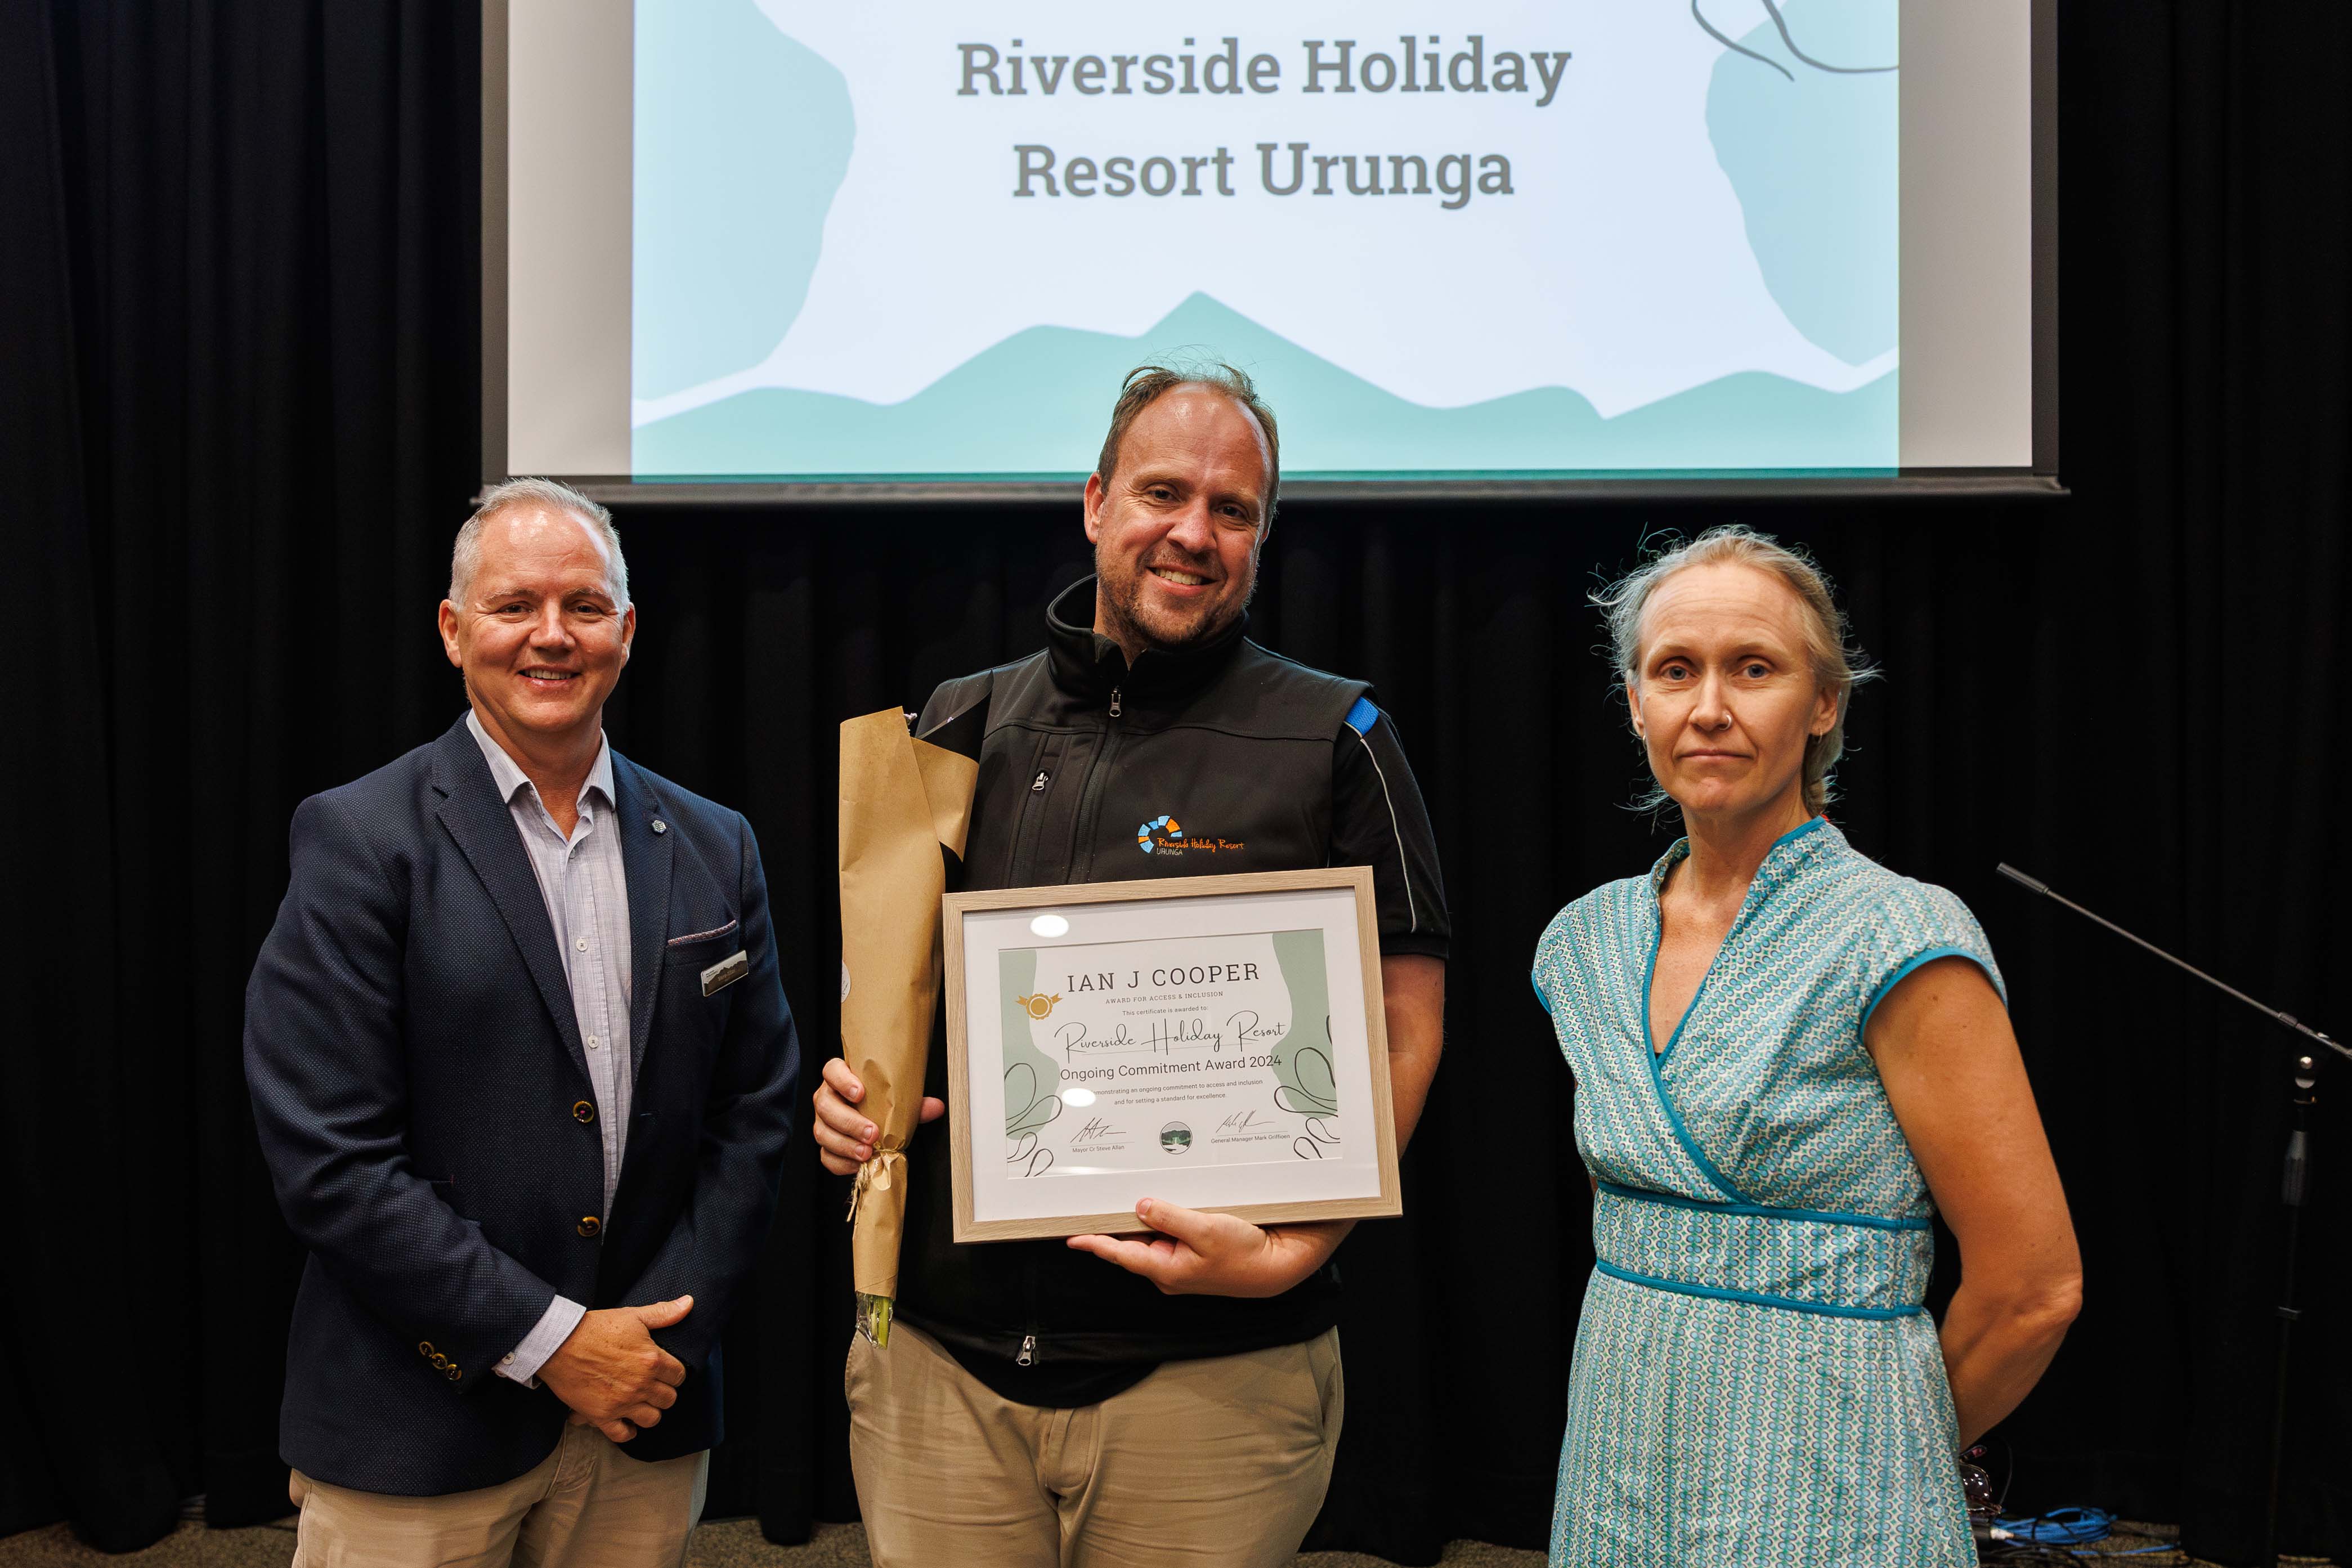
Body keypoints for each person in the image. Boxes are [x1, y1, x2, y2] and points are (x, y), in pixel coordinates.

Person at [812, 364, 1450, 1567]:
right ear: (1095, 502)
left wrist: (1292, 1255)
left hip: (1211, 1378)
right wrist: (853, 1101)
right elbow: (886, 993)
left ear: (1262, 537)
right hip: (942, 1371)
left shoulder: (1339, 736)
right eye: (1164, 492)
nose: (1193, 534)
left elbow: (1402, 1023)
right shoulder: (958, 719)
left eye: (1232, 509)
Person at [243, 478, 802, 1566]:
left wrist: (649, 1343)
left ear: (627, 633)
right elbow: (330, 1159)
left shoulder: (713, 841)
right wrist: (551, 1342)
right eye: (514, 606)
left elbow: (757, 1114)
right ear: (456, 632)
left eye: (586, 606)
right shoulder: (359, 840)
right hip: (420, 1423)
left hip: (644, 1408)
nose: (552, 635)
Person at [1531, 526, 2082, 1567]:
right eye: (1675, 671)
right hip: (1619, 1459)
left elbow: (2033, 1287)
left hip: (1838, 1485)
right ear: (1636, 702)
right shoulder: (1583, 944)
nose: (1709, 708)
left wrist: (1895, 1448)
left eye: (1754, 669)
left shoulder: (1902, 939)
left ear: (1823, 703)